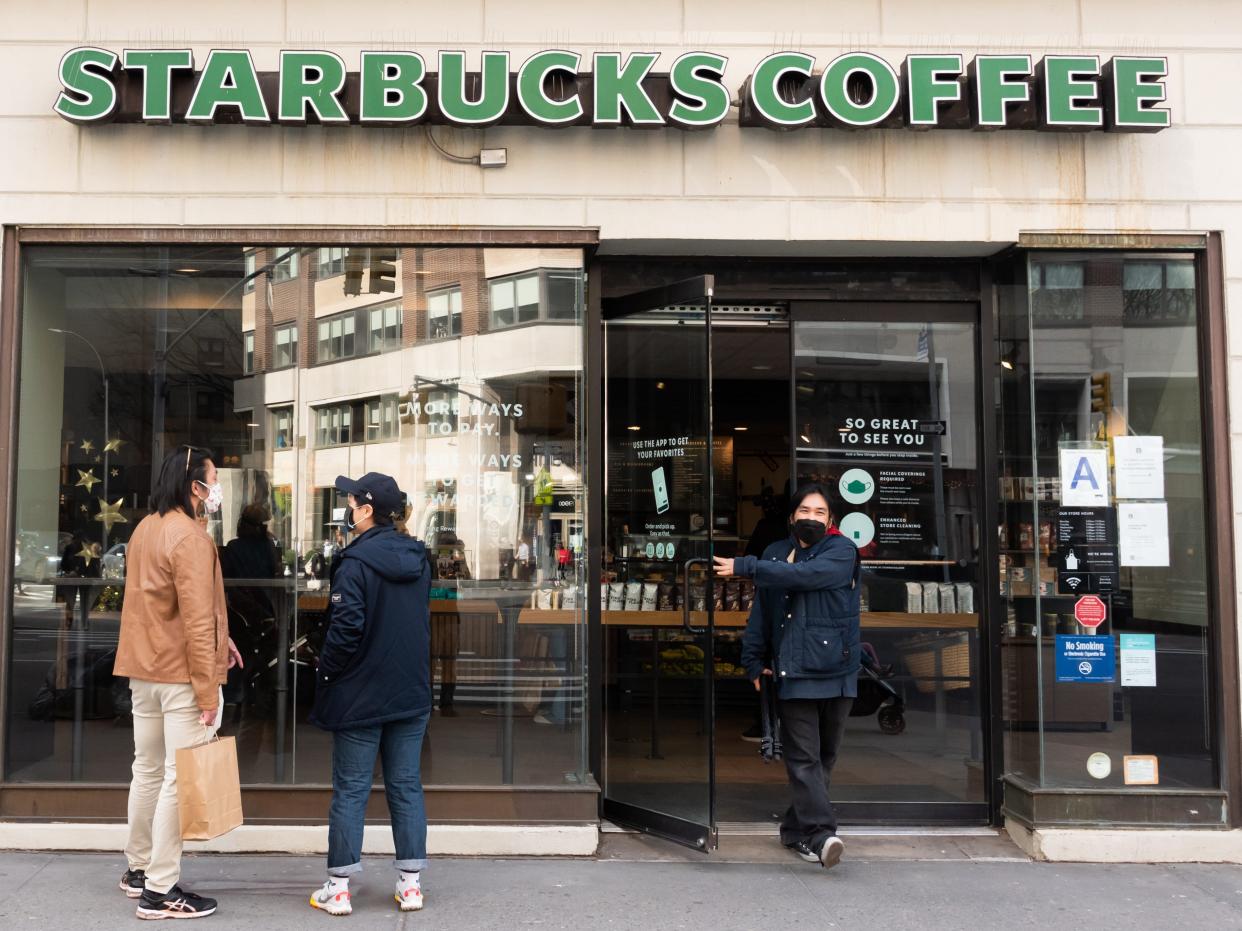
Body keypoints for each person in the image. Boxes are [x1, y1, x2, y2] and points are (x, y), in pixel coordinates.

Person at [112, 445, 244, 919]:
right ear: (196, 486)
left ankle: (138, 869)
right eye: (213, 480)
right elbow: (193, 617)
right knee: (175, 779)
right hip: (181, 676)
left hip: (143, 672)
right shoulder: (188, 537)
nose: (217, 490)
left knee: (147, 769)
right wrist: (209, 687)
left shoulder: (146, 529)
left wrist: (219, 640)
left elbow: (161, 606)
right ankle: (161, 890)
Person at [714, 482, 861, 872]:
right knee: (803, 758)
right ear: (792, 516)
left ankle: (795, 830)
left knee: (825, 757)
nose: (811, 518)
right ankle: (822, 834)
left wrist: (746, 566)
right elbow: (762, 610)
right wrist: (752, 659)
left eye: (820, 513)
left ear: (831, 520)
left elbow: (807, 576)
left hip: (839, 670)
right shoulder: (776, 552)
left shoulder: (841, 551)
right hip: (792, 670)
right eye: (805, 511)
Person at [308, 472, 431, 916]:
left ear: (365, 509)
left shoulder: (354, 561)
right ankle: (411, 885)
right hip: (409, 690)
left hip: (361, 692)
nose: (346, 506)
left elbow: (346, 629)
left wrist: (327, 672)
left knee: (351, 789)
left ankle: (338, 888)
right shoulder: (419, 556)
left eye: (350, 500)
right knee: (405, 786)